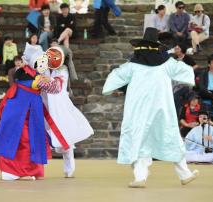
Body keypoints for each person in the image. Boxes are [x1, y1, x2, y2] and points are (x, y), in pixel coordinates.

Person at [102, 27, 198, 188]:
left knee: (140, 140)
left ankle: (140, 177)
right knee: (171, 137)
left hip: (139, 109)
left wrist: (109, 89)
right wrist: (191, 81)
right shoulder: (166, 62)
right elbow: (186, 71)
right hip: (162, 108)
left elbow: (116, 76)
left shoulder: (132, 64)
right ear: (156, 45)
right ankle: (185, 173)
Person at [0, 56, 66, 181]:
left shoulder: (29, 78)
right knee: (24, 140)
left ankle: (25, 170)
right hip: (21, 114)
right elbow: (54, 87)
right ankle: (15, 170)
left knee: (28, 139)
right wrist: (59, 79)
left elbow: (51, 86)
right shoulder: (30, 77)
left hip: (25, 113)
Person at [41, 46, 93, 178]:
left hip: (60, 105)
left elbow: (56, 87)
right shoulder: (46, 69)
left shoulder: (63, 70)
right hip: (46, 103)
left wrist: (45, 81)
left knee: (65, 135)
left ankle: (69, 169)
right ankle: (37, 167)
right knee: (42, 134)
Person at [173, 43, 198, 116]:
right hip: (176, 83)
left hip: (186, 83)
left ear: (182, 50)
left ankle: (178, 113)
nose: (176, 50)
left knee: (176, 95)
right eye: (176, 48)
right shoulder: (174, 59)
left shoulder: (187, 58)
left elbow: (196, 66)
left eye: (177, 48)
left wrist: (187, 70)